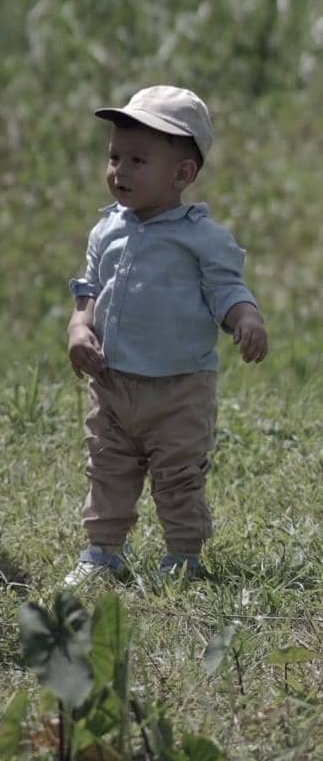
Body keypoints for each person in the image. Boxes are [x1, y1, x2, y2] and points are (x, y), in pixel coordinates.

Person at [64, 85, 267, 584]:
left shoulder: (202, 238)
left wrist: (246, 318)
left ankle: (182, 556)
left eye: (137, 160)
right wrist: (78, 326)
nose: (119, 171)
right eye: (114, 157)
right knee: (108, 467)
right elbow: (89, 288)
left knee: (179, 475)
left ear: (182, 174)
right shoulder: (106, 229)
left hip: (179, 388)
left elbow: (227, 288)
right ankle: (102, 552)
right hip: (112, 382)